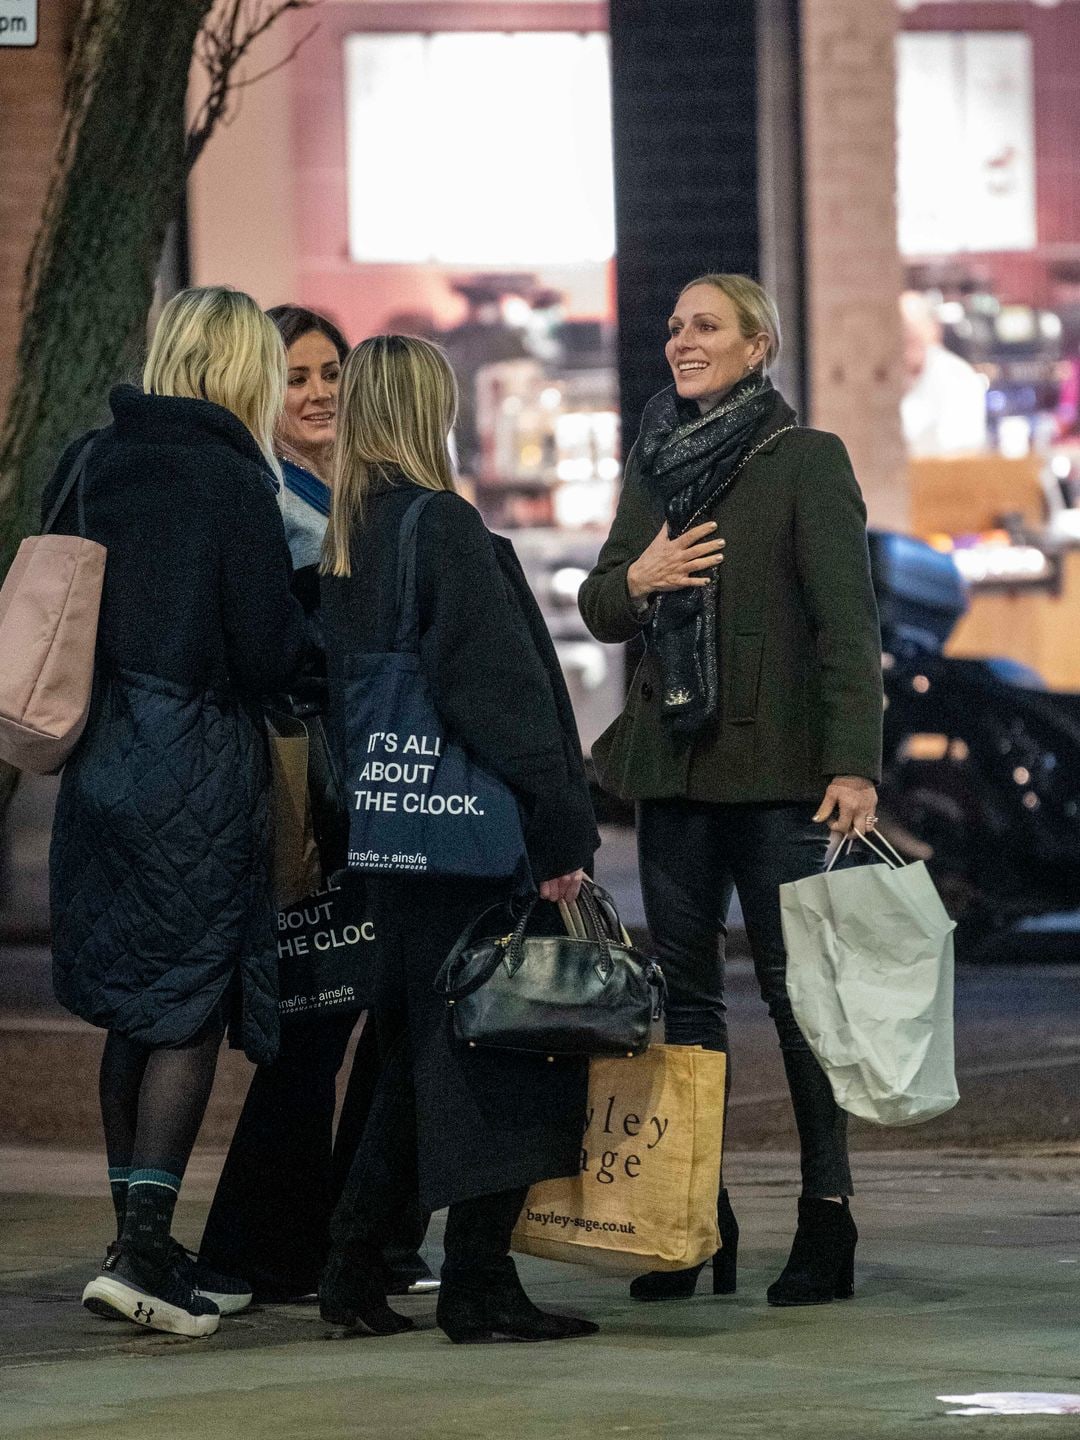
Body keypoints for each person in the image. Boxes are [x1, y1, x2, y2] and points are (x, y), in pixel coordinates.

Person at [578, 274, 883, 1308]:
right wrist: (641, 578)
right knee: (686, 999)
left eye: (705, 326)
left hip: (782, 775)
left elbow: (849, 627)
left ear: (759, 347)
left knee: (803, 1003)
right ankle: (692, 1218)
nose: (681, 341)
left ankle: (826, 1219)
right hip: (675, 770)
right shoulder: (656, 462)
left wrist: (855, 765)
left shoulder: (806, 461)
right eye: (672, 327)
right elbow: (599, 602)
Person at [318, 335, 601, 1343]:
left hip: (396, 839)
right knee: (503, 1047)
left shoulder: (355, 532)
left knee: (412, 1057)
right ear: (431, 410)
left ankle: (353, 1268)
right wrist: (563, 820)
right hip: (476, 839)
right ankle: (478, 1281)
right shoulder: (442, 525)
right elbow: (501, 695)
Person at [46, 286, 308, 1337]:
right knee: (190, 1004)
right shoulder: (230, 478)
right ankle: (147, 1256)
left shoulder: (89, 460)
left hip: (97, 754)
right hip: (191, 759)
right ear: (245, 370)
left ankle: (135, 1240)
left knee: (131, 1002)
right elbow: (267, 651)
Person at [199, 304, 438, 1302]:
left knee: (370, 1012)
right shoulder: (265, 500)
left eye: (331, 373)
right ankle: (253, 1250)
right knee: (313, 1020)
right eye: (296, 377)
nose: (318, 394)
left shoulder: (359, 494)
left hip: (372, 783)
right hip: (305, 789)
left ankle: (350, 1236)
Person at [900, 290, 988, 457]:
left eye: (912, 336)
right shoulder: (879, 376)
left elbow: (963, 445)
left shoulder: (957, 376)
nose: (906, 345)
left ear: (934, 329)